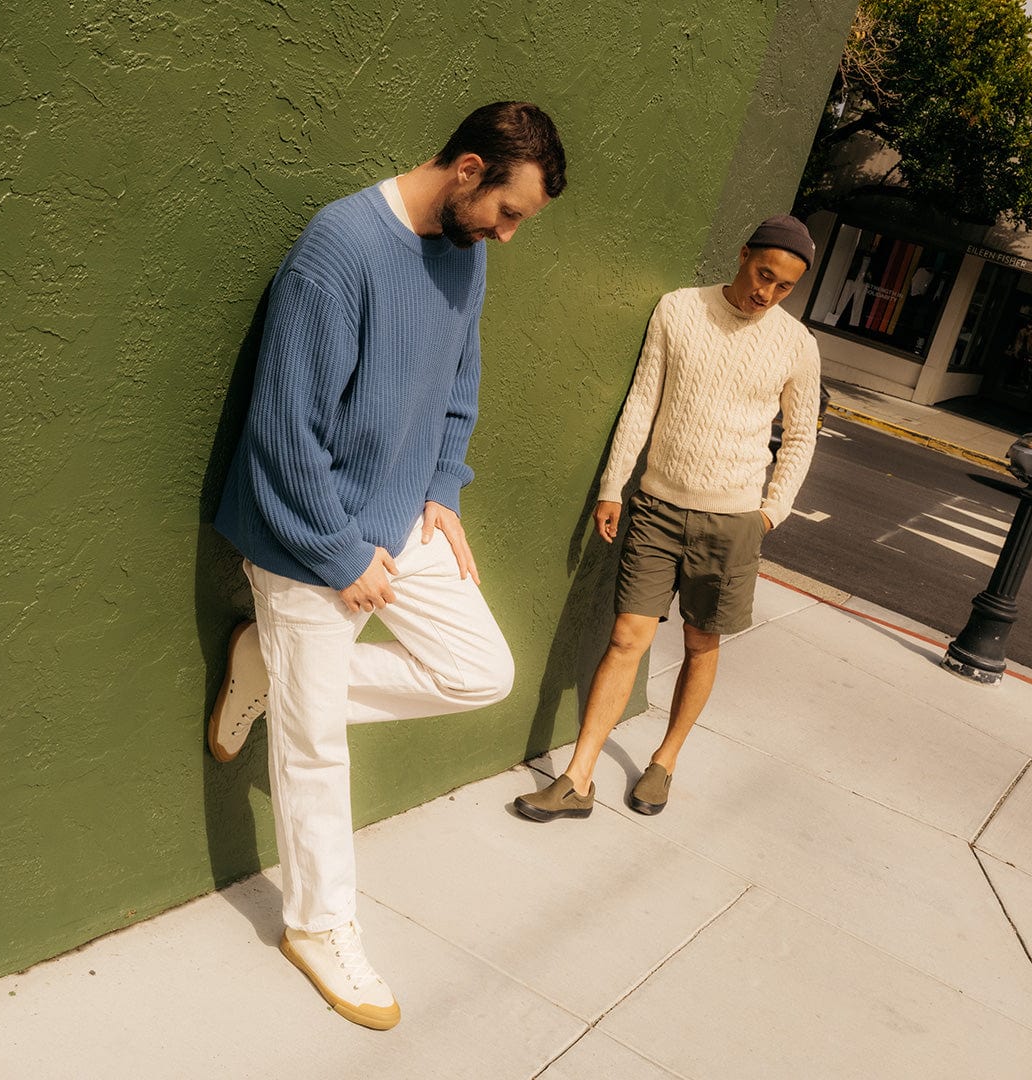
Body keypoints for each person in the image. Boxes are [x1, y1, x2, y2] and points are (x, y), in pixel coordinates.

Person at [209, 102, 566, 1030]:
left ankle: (275, 673)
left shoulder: (466, 248)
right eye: (509, 212)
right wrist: (335, 552)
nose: (509, 234)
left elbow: (458, 380)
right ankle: (318, 926)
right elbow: (284, 433)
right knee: (315, 746)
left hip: (402, 517)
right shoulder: (339, 250)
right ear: (468, 170)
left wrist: (442, 486)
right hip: (307, 533)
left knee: (481, 671)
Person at [514, 215, 820, 823]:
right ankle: (578, 779)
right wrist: (613, 487)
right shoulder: (678, 310)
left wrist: (770, 512)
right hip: (657, 506)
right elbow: (642, 402)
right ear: (743, 255)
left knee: (701, 642)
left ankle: (666, 760)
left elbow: (802, 435)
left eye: (784, 287)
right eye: (764, 275)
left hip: (734, 520)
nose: (768, 292)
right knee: (627, 636)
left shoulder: (797, 345)